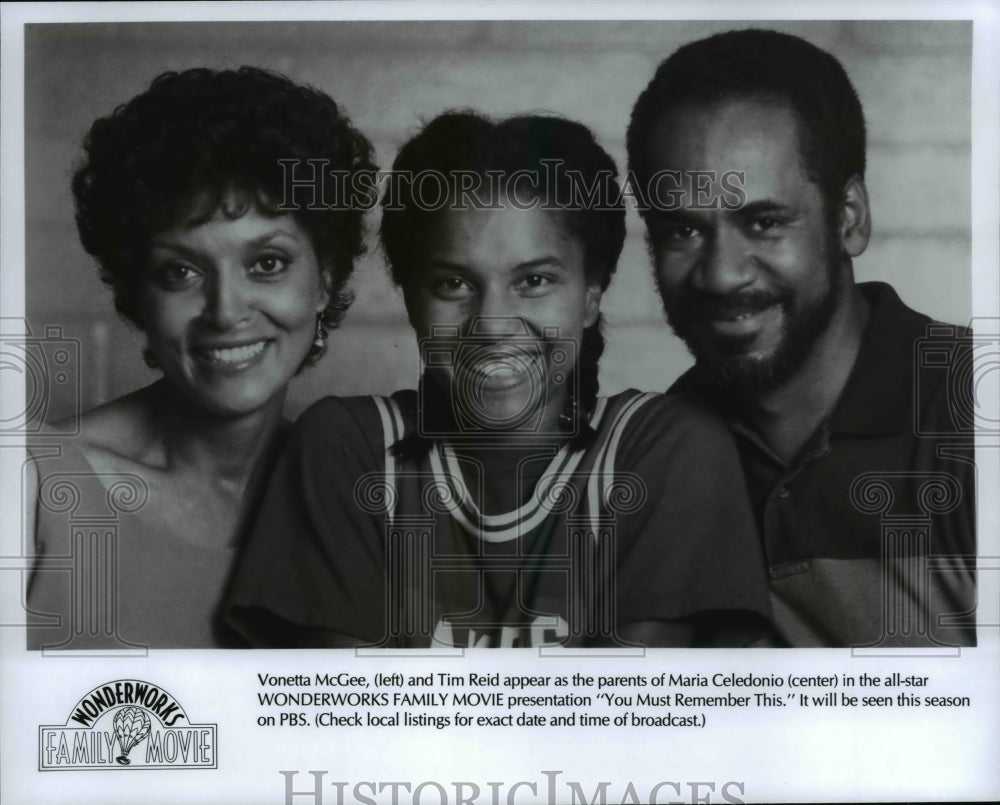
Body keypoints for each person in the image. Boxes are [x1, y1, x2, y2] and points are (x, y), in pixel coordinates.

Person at [226, 112, 772, 649]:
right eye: (453, 283)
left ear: (591, 294)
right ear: (411, 299)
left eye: (534, 280)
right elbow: (350, 705)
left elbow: (625, 705)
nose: (491, 324)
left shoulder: (664, 448)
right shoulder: (349, 448)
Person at [626, 29, 976, 647]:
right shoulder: (654, 457)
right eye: (682, 231)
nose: (721, 275)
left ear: (850, 219)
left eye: (763, 222)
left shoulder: (975, 418)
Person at [25, 66, 376, 649]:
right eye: (181, 272)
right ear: (138, 295)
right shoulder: (33, 486)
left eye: (267, 263)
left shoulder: (353, 500)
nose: (226, 311)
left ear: (325, 280)